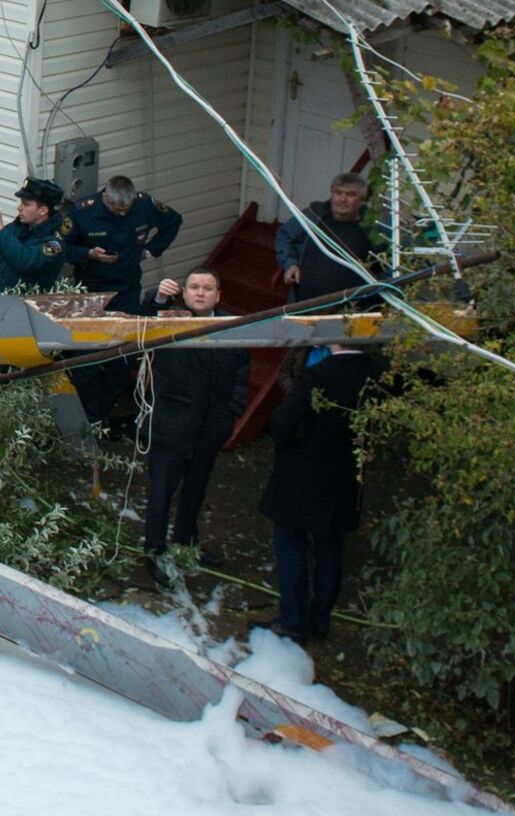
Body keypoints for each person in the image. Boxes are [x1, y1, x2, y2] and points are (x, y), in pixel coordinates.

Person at [259, 344, 382, 643]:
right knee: (330, 549)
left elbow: (282, 422)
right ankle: (319, 619)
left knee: (291, 545)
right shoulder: (377, 377)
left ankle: (292, 620)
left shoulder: (319, 375)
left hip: (303, 476)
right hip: (345, 479)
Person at [137, 268, 250, 572]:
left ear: (218, 295)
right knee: (161, 493)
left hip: (210, 428)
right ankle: (154, 551)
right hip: (171, 426)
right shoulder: (169, 321)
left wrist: (232, 414)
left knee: (195, 492)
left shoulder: (232, 327)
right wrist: (159, 296)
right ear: (184, 294)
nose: (201, 293)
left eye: (208, 288)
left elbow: (241, 376)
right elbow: (147, 314)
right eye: (195, 287)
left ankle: (187, 543)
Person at [64, 174, 181, 313]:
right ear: (105, 198)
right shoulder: (82, 212)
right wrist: (89, 254)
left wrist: (150, 250)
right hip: (91, 288)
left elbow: (173, 222)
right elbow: (63, 248)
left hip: (127, 288)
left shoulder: (145, 204)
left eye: (127, 209)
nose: (123, 214)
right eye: (118, 210)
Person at [276, 172, 381, 302]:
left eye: (351, 195)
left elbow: (389, 265)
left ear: (362, 199)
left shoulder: (372, 225)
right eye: (338, 192)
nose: (342, 199)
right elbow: (284, 235)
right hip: (303, 305)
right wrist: (290, 264)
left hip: (347, 312)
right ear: (331, 193)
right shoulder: (315, 213)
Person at [0, 179, 72, 292]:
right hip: (2, 300)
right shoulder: (19, 227)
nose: (19, 207)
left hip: (27, 306)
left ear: (43, 210)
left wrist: (1, 230)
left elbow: (24, 262)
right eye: (21, 202)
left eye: (26, 204)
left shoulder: (54, 244)